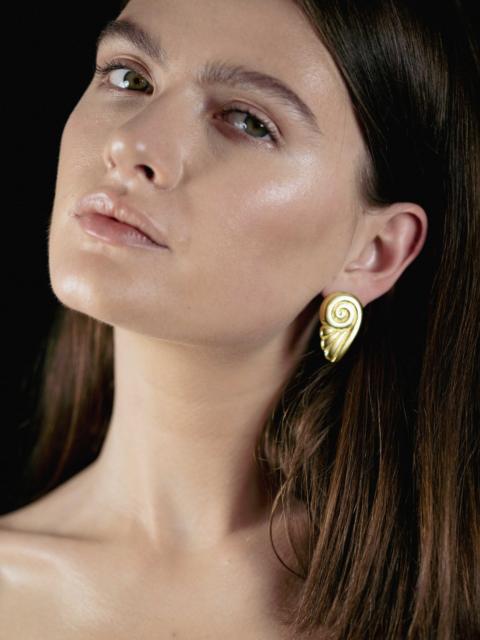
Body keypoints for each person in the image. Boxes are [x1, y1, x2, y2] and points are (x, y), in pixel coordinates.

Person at [1, 0, 478, 638]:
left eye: (248, 122)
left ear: (373, 252)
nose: (130, 143)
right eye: (130, 77)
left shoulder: (443, 608)